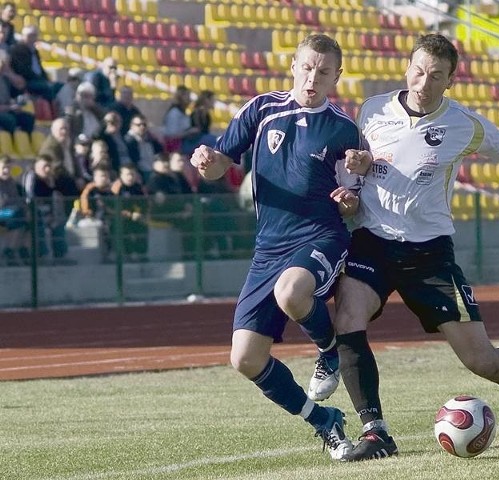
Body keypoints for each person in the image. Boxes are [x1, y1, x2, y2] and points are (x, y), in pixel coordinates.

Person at [313, 33, 499, 461]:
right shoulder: (372, 109)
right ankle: (375, 431)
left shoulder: (464, 124)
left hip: (429, 255)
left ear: (451, 80)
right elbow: (354, 171)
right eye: (418, 71)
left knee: (482, 361)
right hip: (372, 243)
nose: (423, 83)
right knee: (347, 316)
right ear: (407, 68)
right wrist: (349, 191)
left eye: (436, 75)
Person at [189, 33, 364, 460]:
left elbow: (355, 199)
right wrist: (207, 163)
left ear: (336, 77)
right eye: (307, 68)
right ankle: (325, 422)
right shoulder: (261, 109)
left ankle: (328, 350)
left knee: (292, 293)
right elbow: (218, 167)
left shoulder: (343, 128)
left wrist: (349, 199)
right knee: (245, 359)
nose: (313, 78)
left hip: (321, 236)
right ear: (293, 65)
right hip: (268, 249)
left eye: (323, 72)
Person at [23, 154, 70, 263]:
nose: (47, 169)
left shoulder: (49, 180)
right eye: (45, 166)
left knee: (58, 223)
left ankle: (60, 255)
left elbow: (53, 198)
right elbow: (29, 198)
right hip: (33, 212)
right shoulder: (31, 177)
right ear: (36, 166)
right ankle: (41, 255)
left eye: (49, 166)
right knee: (39, 225)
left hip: (47, 212)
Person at [9, 25, 62, 102]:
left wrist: (47, 80)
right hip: (28, 81)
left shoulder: (34, 51)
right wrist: (42, 80)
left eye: (34, 35)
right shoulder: (18, 50)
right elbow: (24, 70)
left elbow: (39, 68)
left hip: (38, 80)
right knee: (49, 89)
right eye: (29, 36)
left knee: (60, 86)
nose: (32, 38)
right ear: (23, 36)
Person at [111, 164, 148, 262]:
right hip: (121, 219)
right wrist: (130, 215)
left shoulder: (138, 187)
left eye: (132, 174)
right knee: (123, 230)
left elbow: (145, 203)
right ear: (121, 175)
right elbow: (113, 207)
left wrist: (139, 213)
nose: (130, 177)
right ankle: (127, 256)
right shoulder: (116, 187)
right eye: (127, 174)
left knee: (143, 229)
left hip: (137, 217)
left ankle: (142, 256)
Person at [0, 155, 29, 265]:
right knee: (18, 215)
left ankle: (19, 250)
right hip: (3, 212)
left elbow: (18, 200)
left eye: (8, 168)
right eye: (3, 168)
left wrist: (24, 209)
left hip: (12, 213)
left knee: (27, 220)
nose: (6, 171)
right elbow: (3, 202)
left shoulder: (12, 182)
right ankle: (9, 251)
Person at [0, 48, 33, 134]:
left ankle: (25, 143)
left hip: (6, 109)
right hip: (3, 111)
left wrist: (9, 73)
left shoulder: (5, 79)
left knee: (28, 118)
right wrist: (10, 107)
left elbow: (21, 84)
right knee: (10, 120)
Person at [124, 113, 164, 183]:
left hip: (152, 170)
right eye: (138, 125)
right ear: (131, 126)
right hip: (139, 172)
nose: (142, 127)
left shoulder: (149, 138)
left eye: (144, 125)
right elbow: (132, 159)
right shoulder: (129, 140)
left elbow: (160, 151)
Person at [162, 85, 199, 153]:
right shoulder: (174, 113)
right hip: (176, 144)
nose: (190, 99)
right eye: (187, 96)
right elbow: (172, 135)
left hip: (184, 141)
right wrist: (189, 132)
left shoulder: (183, 112)